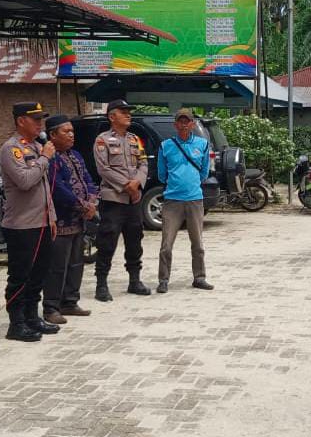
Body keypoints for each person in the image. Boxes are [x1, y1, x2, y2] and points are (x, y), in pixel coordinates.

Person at [0, 102, 60, 342]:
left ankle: (32, 317)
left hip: (41, 222)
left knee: (38, 274)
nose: (39, 124)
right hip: (21, 225)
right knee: (20, 276)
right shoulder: (11, 149)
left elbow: (45, 187)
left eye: (40, 119)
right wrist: (44, 158)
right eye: (35, 119)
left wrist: (51, 217)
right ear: (20, 121)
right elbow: (25, 181)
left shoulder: (36, 146)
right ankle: (17, 323)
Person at [42, 115, 97, 322]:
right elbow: (57, 188)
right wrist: (82, 205)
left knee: (76, 263)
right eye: (66, 131)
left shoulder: (76, 155)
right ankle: (51, 307)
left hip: (79, 221)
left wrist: (92, 201)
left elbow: (88, 179)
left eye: (72, 131)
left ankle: (70, 302)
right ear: (53, 135)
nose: (71, 135)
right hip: (61, 221)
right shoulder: (51, 158)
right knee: (57, 266)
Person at [93, 99, 150, 299]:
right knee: (107, 242)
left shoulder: (135, 139)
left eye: (128, 111)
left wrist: (137, 183)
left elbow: (143, 163)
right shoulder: (102, 140)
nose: (128, 114)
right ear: (111, 116)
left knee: (135, 241)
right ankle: (101, 284)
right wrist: (127, 185)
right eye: (123, 111)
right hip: (113, 200)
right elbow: (104, 169)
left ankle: (134, 280)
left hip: (133, 200)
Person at [156, 109, 213, 294]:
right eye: (180, 121)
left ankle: (199, 277)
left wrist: (192, 183)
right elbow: (161, 174)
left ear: (192, 124)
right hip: (172, 200)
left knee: (197, 243)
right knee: (166, 244)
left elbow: (204, 171)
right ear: (175, 125)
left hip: (194, 199)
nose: (183, 125)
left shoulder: (202, 144)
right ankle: (163, 280)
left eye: (186, 121)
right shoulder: (166, 146)